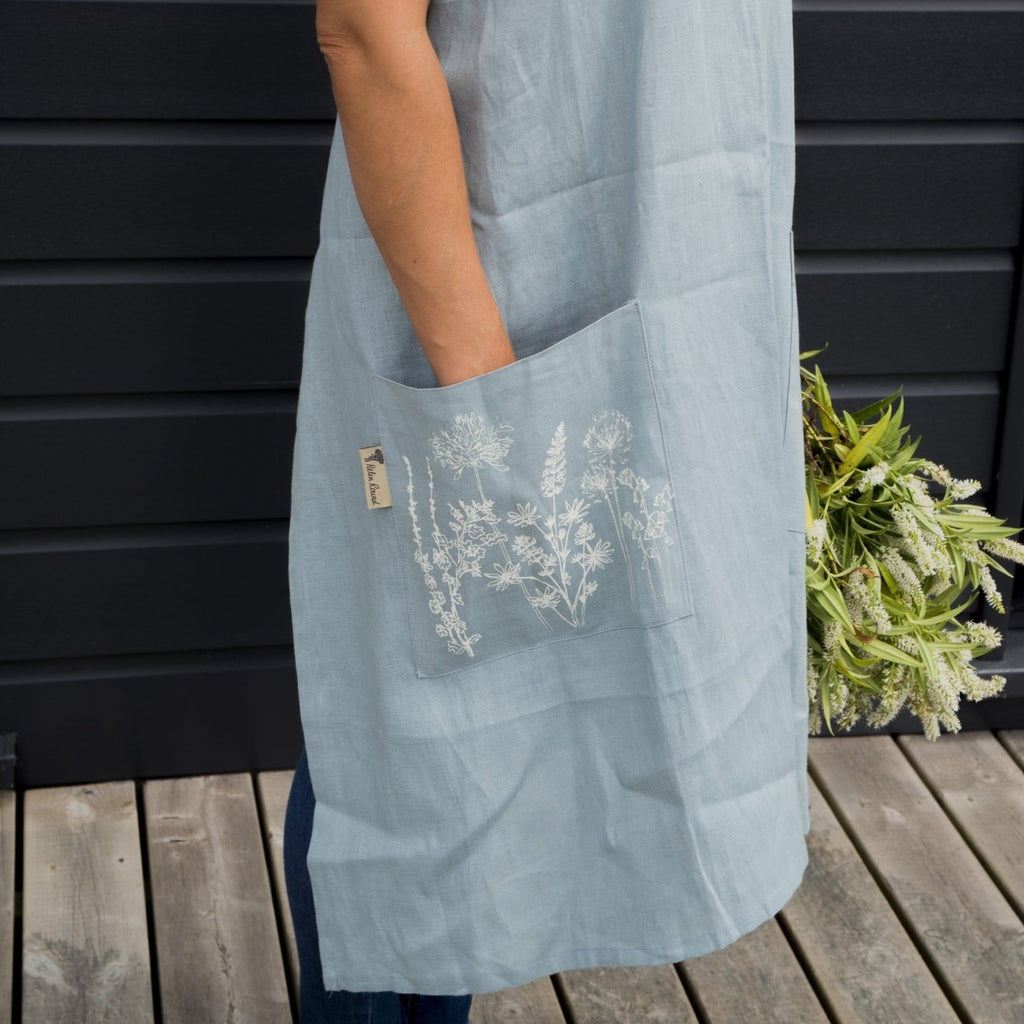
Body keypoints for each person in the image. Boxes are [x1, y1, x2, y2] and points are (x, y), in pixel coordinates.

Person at [285, 0, 808, 1020]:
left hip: (677, 310)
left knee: (480, 746)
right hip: (486, 315)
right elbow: (363, 27)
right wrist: (489, 404)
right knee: (412, 746)